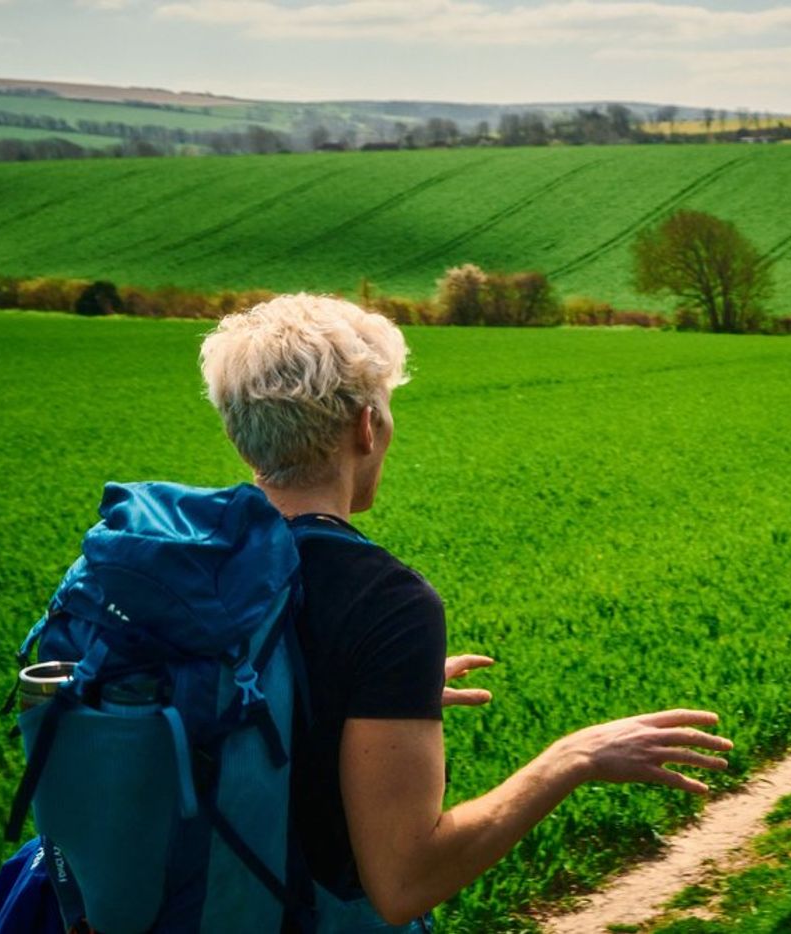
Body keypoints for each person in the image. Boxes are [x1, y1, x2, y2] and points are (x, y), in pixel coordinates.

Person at [199, 294, 733, 929]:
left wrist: (363, 698)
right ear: (366, 427)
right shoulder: (385, 603)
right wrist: (570, 759)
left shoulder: (184, 562)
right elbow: (403, 881)